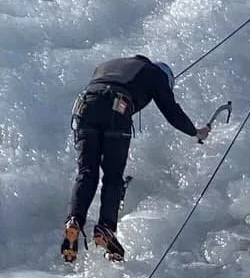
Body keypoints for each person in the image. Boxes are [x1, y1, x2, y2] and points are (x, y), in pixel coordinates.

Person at [61, 55, 211, 265]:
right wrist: (195, 132)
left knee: (86, 172)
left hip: (84, 108)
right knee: (112, 176)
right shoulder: (156, 73)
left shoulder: (109, 65)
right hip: (116, 107)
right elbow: (171, 111)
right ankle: (105, 228)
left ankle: (74, 220)